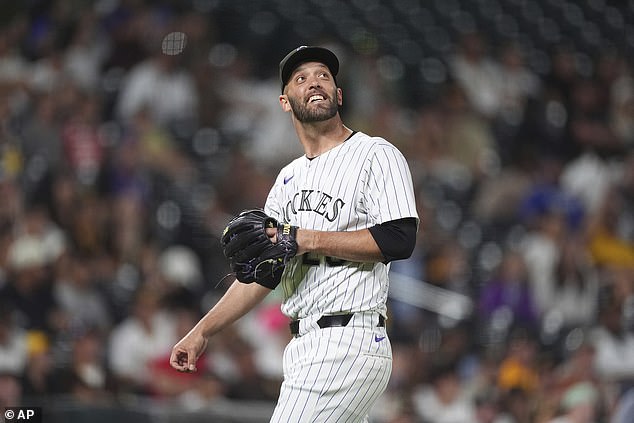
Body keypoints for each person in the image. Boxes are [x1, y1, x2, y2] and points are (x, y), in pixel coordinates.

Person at [170, 45, 419, 422]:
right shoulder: (288, 179)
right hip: (305, 345)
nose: (314, 82)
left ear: (338, 94)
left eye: (323, 75)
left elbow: (399, 239)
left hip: (346, 338)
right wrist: (202, 331)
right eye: (301, 78)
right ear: (286, 102)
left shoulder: (375, 154)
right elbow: (264, 273)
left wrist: (306, 237)